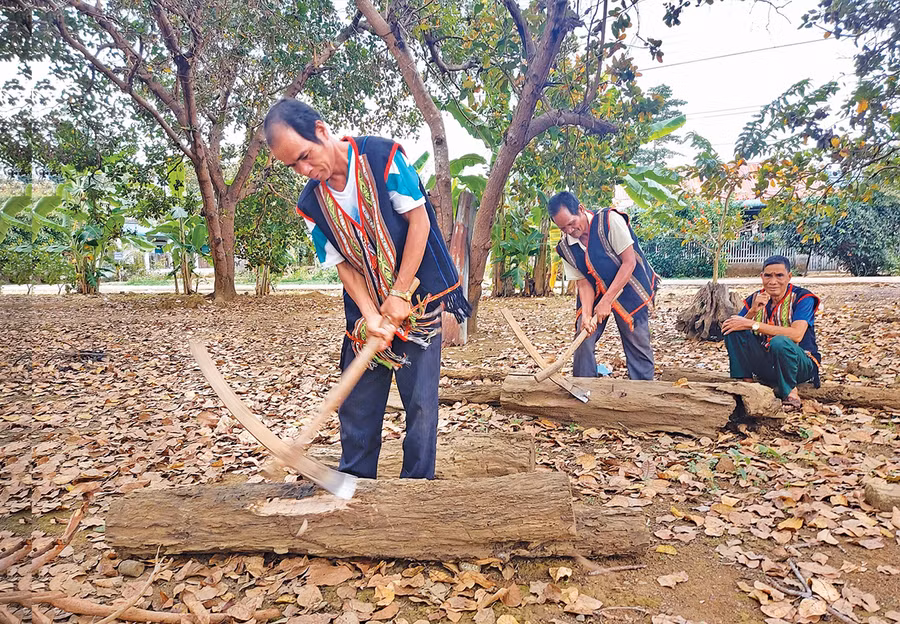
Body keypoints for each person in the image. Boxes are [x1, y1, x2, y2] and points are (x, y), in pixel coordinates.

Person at [263, 98, 470, 479]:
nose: (305, 170)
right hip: (366, 310)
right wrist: (372, 315)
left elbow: (420, 223)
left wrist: (400, 293)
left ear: (322, 131)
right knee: (358, 403)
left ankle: (416, 492)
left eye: (306, 156)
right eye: (294, 165)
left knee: (421, 404)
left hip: (419, 299)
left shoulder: (383, 157)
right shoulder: (312, 204)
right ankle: (354, 489)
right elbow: (343, 266)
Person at [548, 191, 659, 380]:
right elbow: (583, 283)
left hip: (630, 284)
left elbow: (629, 263)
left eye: (571, 223)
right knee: (583, 336)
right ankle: (583, 388)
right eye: (562, 228)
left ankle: (643, 391)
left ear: (581, 209)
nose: (569, 230)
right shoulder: (565, 247)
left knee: (636, 339)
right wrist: (587, 314)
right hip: (596, 288)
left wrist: (607, 301)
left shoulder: (609, 221)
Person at [721, 255, 821, 411]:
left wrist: (753, 324)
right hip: (768, 364)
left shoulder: (803, 298)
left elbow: (796, 335)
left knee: (779, 341)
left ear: (789, 276)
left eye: (779, 275)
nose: (773, 281)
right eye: (768, 275)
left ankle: (790, 392)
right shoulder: (756, 297)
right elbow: (734, 325)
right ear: (761, 277)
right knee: (732, 330)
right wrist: (753, 311)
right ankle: (746, 384)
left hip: (801, 364)